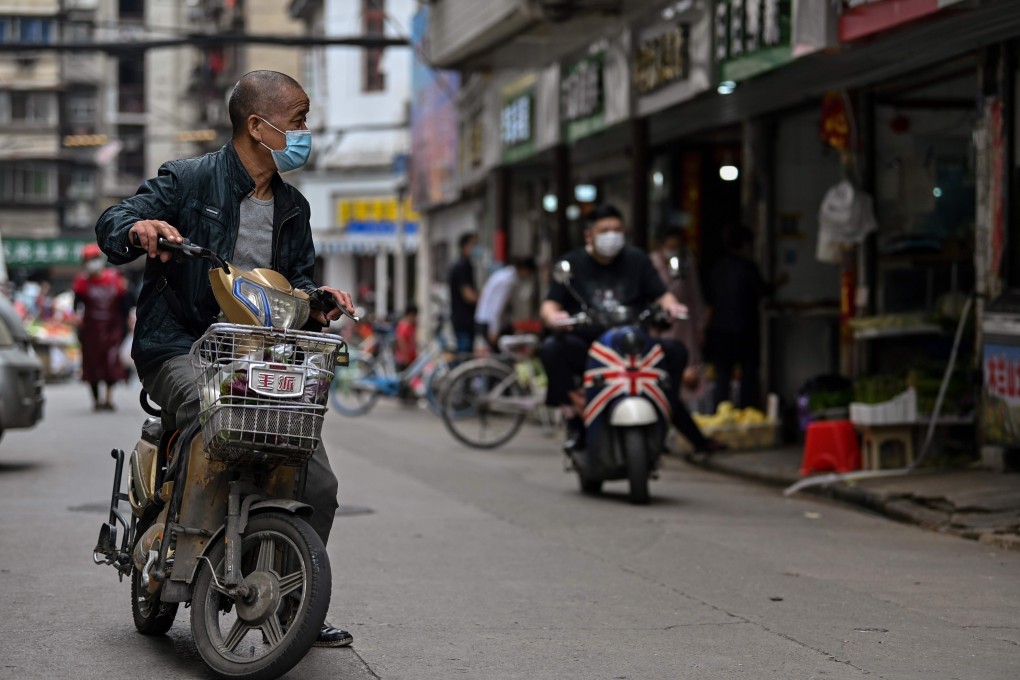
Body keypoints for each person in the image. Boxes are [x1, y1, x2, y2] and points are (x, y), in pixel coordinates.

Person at [94, 70, 356, 648]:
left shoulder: (294, 206)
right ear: (259, 127)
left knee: (318, 480)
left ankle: (293, 602)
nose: (305, 131)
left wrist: (320, 302)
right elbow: (114, 222)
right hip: (180, 350)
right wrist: (139, 227)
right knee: (215, 418)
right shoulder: (188, 181)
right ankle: (171, 554)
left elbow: (297, 283)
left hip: (263, 358)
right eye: (299, 119)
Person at [538, 204, 721, 456]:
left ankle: (664, 406)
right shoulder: (572, 263)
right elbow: (550, 303)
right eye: (605, 230)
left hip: (633, 343)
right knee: (551, 349)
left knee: (676, 351)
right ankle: (574, 416)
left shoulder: (637, 259)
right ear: (589, 235)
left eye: (617, 230)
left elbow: (662, 295)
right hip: (590, 347)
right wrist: (554, 316)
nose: (612, 235)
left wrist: (672, 307)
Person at [705, 224, 788, 411]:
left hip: (720, 329)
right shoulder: (748, 267)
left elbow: (710, 300)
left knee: (723, 376)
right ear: (745, 244)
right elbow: (762, 290)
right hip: (745, 329)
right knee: (748, 374)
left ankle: (721, 414)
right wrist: (778, 283)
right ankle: (747, 413)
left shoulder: (717, 268)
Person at [650, 226, 707, 401]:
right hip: (660, 324)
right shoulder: (651, 263)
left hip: (683, 323)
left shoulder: (686, 262)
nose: (673, 250)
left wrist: (700, 325)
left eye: (676, 246)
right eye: (670, 245)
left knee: (688, 363)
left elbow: (695, 295)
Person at [72, 243, 130, 411]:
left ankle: (108, 398)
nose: (92, 263)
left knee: (111, 363)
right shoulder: (81, 282)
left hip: (112, 328)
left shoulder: (115, 278)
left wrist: (129, 320)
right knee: (91, 364)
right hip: (90, 330)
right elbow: (77, 304)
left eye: (94, 259)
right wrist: (77, 316)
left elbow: (125, 303)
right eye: (88, 260)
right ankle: (96, 400)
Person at [474, 256, 537, 352]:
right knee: (499, 357)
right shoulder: (506, 280)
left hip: (486, 320)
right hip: (488, 322)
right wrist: (493, 330)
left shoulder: (505, 276)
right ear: (524, 269)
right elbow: (496, 306)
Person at [447, 232, 479, 354]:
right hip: (463, 320)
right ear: (464, 246)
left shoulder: (465, 265)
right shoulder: (461, 266)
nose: (476, 248)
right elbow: (468, 295)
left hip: (464, 319)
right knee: (464, 356)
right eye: (473, 245)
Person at [394, 303, 418, 372]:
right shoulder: (403, 326)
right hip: (404, 359)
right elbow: (401, 340)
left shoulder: (411, 326)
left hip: (411, 358)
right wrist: (405, 356)